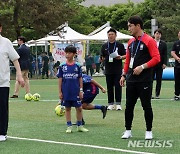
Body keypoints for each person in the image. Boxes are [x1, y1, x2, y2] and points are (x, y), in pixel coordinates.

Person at [120, 16, 160, 140]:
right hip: (131, 79)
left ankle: (148, 131)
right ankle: (128, 130)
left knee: (146, 105)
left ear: (138, 26)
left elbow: (156, 58)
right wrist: (124, 75)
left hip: (145, 79)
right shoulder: (131, 42)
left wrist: (142, 67)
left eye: (130, 26)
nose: (129, 29)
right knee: (129, 105)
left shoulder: (149, 40)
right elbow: (127, 61)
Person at [0, 22, 24, 141]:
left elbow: (15, 60)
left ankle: (2, 133)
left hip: (2, 82)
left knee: (2, 108)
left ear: (0, 28)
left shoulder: (6, 42)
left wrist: (19, 75)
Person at [57, 45, 89, 133]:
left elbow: (80, 78)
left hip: (76, 91)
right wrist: (60, 92)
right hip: (66, 91)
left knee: (79, 108)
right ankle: (69, 126)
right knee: (67, 108)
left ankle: (80, 125)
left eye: (69, 53)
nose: (67, 55)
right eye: (66, 53)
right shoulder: (62, 66)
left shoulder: (78, 66)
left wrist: (81, 90)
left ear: (74, 54)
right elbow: (60, 79)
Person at [101, 28, 126, 110]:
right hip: (108, 69)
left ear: (115, 35)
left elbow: (126, 55)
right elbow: (102, 56)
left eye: (112, 34)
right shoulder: (104, 46)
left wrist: (121, 57)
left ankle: (118, 104)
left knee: (118, 86)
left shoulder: (120, 45)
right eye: (109, 34)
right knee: (109, 87)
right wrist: (101, 59)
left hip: (117, 69)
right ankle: (110, 103)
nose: (110, 36)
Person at [152, 29, 167, 99]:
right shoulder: (151, 42)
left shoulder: (163, 44)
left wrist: (164, 63)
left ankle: (157, 94)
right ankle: (149, 93)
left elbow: (165, 54)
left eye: (159, 34)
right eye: (157, 33)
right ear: (154, 34)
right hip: (151, 64)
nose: (158, 35)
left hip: (159, 64)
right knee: (150, 79)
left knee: (159, 79)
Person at [171, 30, 180, 101]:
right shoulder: (176, 43)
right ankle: (177, 94)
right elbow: (172, 52)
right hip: (177, 65)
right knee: (177, 80)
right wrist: (177, 58)